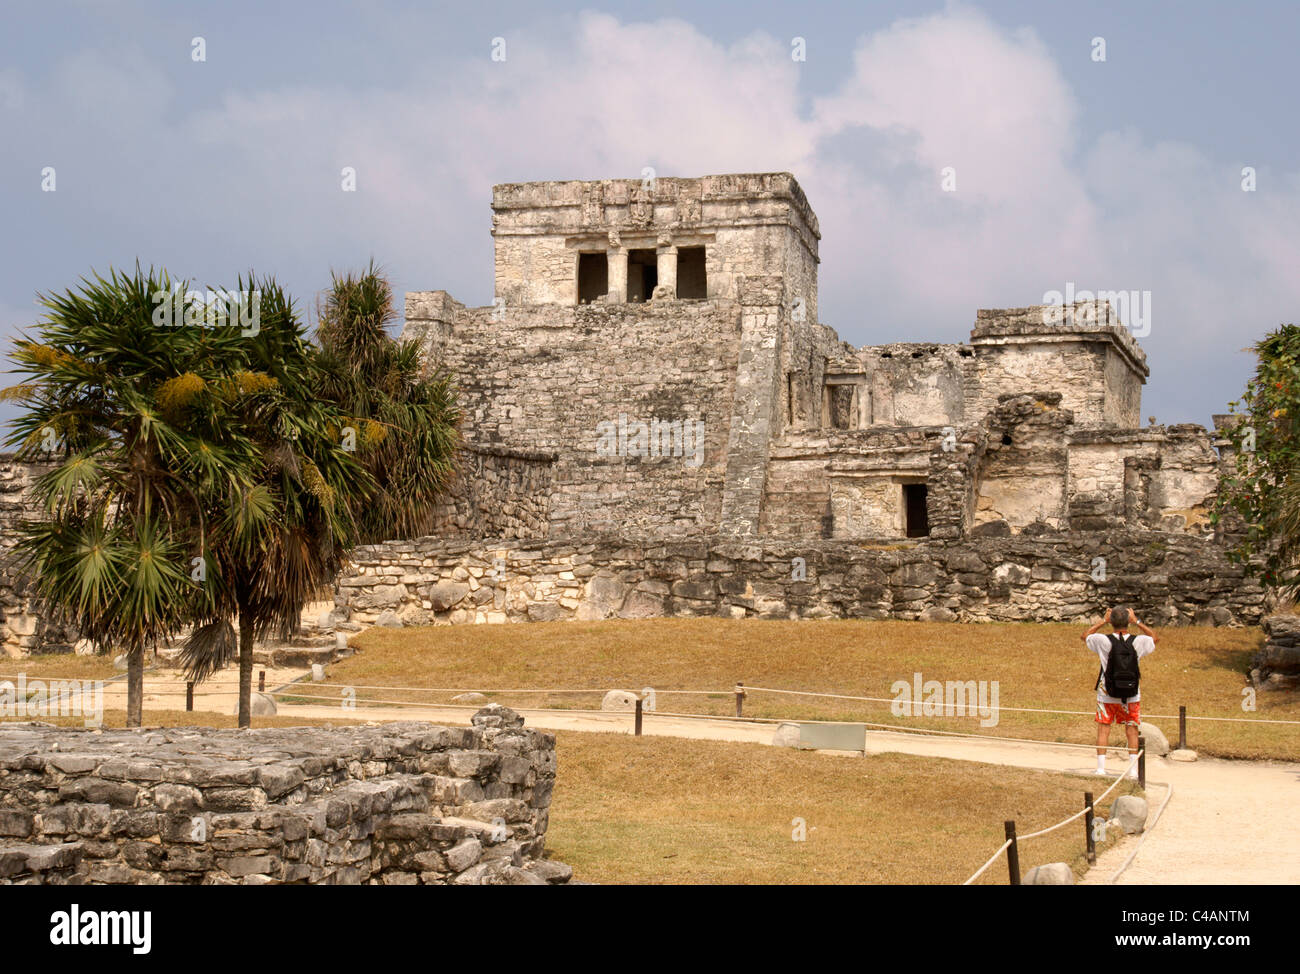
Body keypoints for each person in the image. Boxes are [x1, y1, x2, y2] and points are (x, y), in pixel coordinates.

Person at [1081, 607, 1158, 777]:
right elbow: (1154, 638)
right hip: (1131, 694)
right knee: (1131, 730)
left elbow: (1085, 636)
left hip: (1106, 692)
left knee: (1103, 729)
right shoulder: (1138, 642)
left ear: (1112, 622)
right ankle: (1133, 770)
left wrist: (1103, 621)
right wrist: (1137, 621)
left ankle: (1101, 768)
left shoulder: (1103, 640)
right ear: (1128, 621)